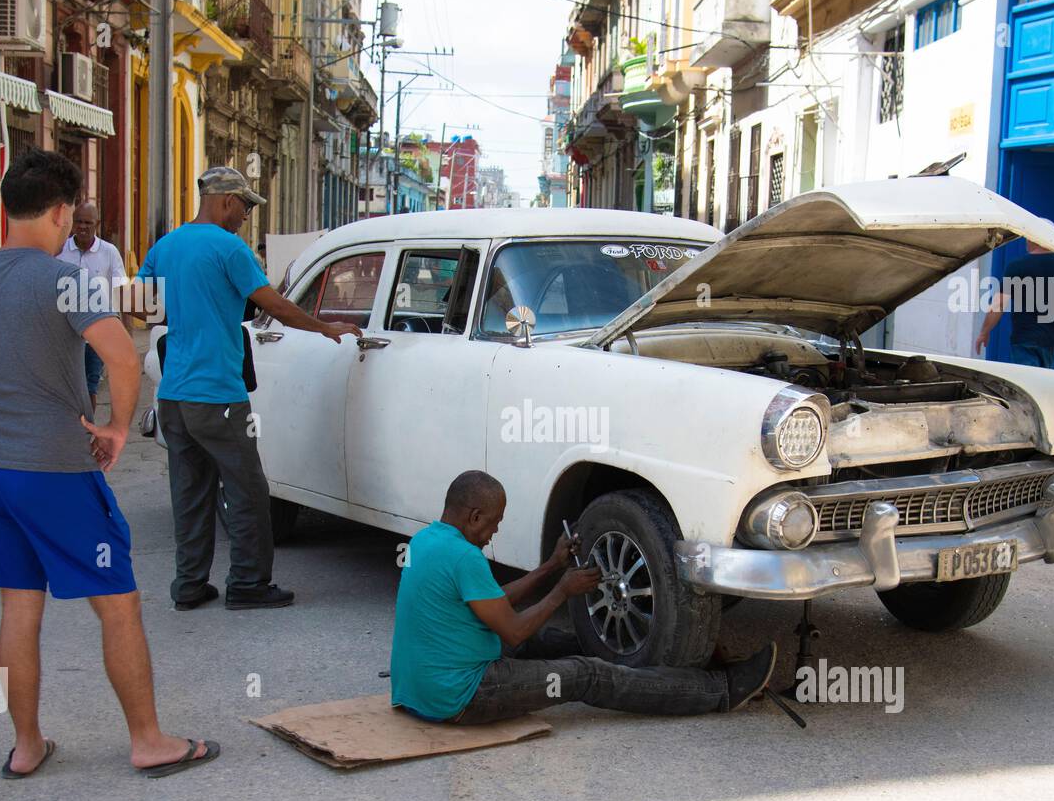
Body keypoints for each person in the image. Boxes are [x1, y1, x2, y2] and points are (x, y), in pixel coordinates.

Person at [0, 150, 218, 779]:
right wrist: (118, 428)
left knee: (20, 607)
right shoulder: (65, 279)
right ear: (59, 211)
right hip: (56, 471)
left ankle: (26, 747)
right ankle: (149, 740)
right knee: (118, 604)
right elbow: (123, 358)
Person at [133, 166, 361, 611]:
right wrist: (324, 327)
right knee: (248, 492)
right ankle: (248, 584)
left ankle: (190, 586)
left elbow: (141, 309)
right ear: (224, 200)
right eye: (244, 206)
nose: (245, 217)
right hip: (216, 392)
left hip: (173, 394)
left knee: (190, 492)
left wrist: (186, 308)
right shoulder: (229, 248)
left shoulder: (165, 246)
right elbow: (273, 304)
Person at [390, 471, 776, 725]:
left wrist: (551, 565)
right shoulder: (464, 556)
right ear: (474, 516)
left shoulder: (428, 540)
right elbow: (513, 633)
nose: (494, 531)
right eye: (494, 523)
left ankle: (677, 667)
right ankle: (721, 691)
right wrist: (562, 590)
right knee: (586, 673)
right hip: (460, 696)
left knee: (569, 642)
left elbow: (491, 601)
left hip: (420, 689)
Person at [974, 239, 1054, 369]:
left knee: (1025, 384)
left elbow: (999, 304)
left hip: (1024, 339)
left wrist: (984, 332)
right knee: (1041, 384)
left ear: (1034, 240)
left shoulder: (1016, 266)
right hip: (1050, 341)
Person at [57, 202, 127, 412]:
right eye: (78, 221)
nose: (83, 227)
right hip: (65, 332)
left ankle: (88, 429)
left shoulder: (109, 252)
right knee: (65, 385)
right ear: (72, 224)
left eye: (88, 222)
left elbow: (120, 291)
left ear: (96, 224)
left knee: (90, 385)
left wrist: (122, 333)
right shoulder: (59, 251)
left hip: (97, 333)